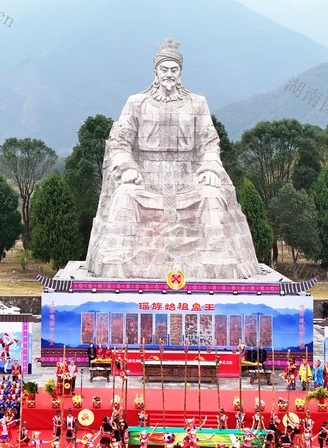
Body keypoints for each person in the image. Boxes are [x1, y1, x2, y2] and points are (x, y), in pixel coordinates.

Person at [84, 39, 261, 280]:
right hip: (146, 178)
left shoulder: (197, 103)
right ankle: (118, 261)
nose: (169, 74)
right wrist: (126, 167)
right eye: (164, 69)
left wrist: (209, 167)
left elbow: (208, 142)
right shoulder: (136, 102)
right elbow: (120, 141)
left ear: (180, 73)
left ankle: (215, 262)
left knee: (211, 196)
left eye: (174, 70)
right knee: (124, 196)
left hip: (187, 176)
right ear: (155, 73)